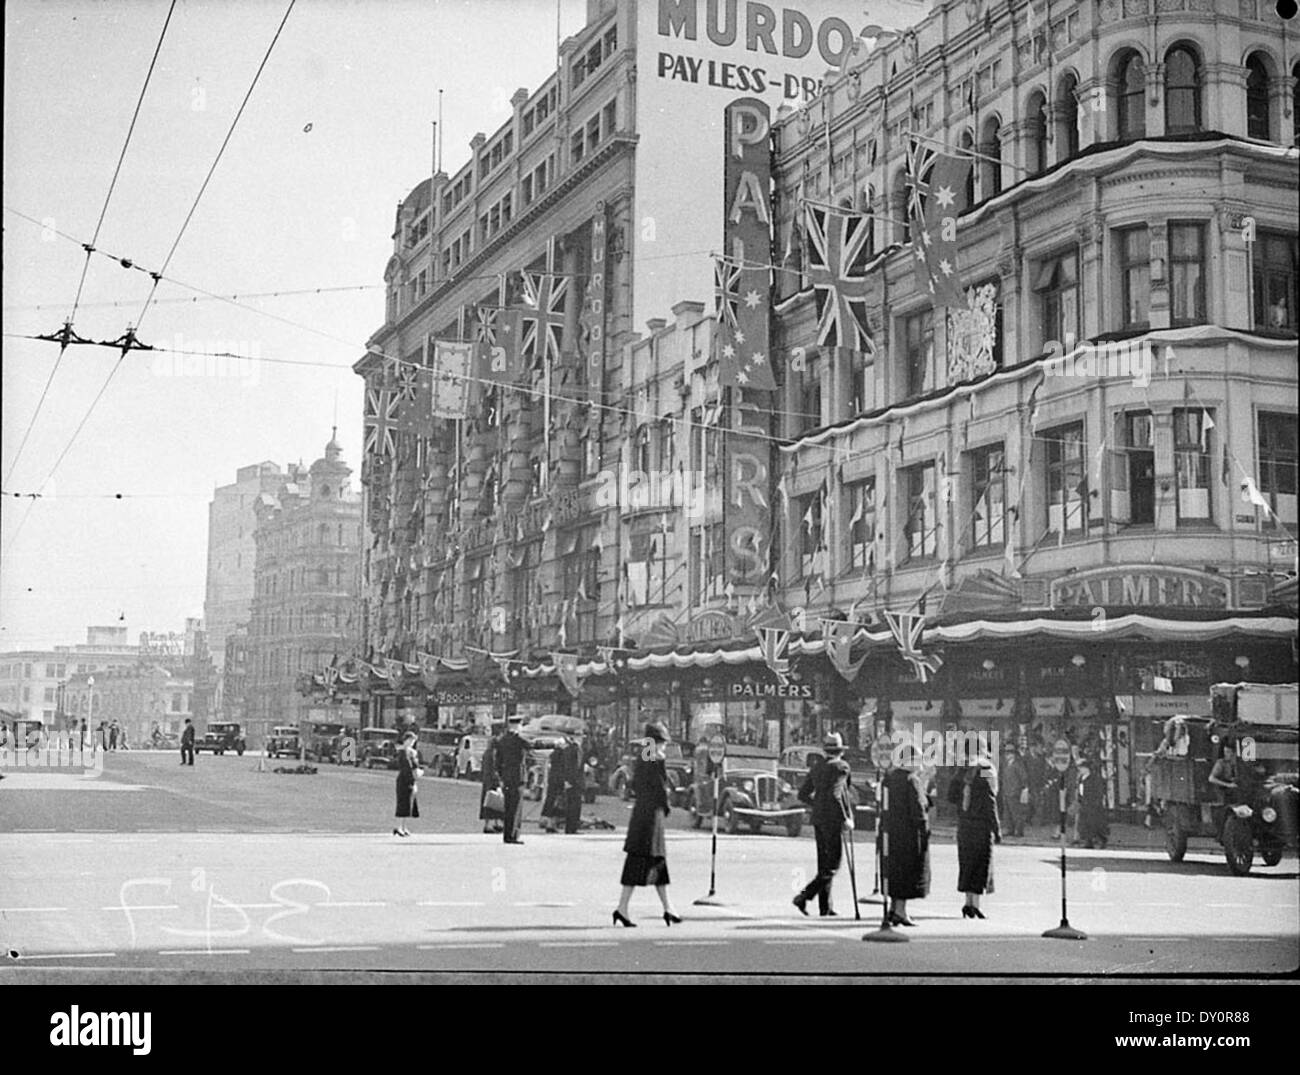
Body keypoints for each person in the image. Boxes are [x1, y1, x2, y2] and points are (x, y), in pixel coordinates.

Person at [614, 722, 682, 927]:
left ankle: (666, 908)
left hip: (643, 816)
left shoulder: (644, 757)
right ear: (656, 742)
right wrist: (667, 805)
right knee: (650, 860)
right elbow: (660, 788)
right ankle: (624, 908)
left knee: (652, 862)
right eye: (662, 742)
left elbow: (636, 784)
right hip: (650, 817)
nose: (664, 747)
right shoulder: (653, 758)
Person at [793, 732, 854, 917]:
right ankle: (805, 896)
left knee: (824, 864)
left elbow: (802, 794)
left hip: (819, 819)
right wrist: (845, 818)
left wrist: (818, 805)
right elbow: (838, 795)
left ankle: (825, 907)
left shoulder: (817, 767)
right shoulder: (841, 767)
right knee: (833, 864)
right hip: (832, 820)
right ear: (840, 751)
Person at [879, 750, 931, 926]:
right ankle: (900, 911)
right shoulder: (911, 780)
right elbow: (918, 811)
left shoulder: (890, 778)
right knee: (906, 872)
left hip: (890, 833)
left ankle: (894, 909)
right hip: (908, 835)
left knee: (893, 871)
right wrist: (925, 832)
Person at [951, 755, 1001, 919]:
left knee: (966, 863)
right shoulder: (985, 771)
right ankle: (975, 904)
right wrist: (996, 828)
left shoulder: (960, 772)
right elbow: (990, 799)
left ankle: (967, 902)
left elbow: (950, 796)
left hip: (964, 825)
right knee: (980, 865)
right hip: (981, 826)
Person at [495, 715, 529, 844]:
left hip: (506, 777)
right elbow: (531, 746)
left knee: (508, 807)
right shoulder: (518, 740)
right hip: (517, 777)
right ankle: (513, 835)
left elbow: (498, 761)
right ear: (517, 726)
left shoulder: (502, 740)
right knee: (515, 808)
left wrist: (501, 777)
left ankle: (507, 834)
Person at [1076, 757, 1110, 849]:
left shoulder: (1094, 778)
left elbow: (1099, 791)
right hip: (1084, 804)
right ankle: (1088, 841)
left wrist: (1096, 802)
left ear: (1086, 768)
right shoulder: (1081, 778)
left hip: (1093, 805)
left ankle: (1102, 839)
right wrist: (1079, 799)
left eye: (1081, 768)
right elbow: (1080, 790)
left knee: (1094, 824)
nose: (1079, 770)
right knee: (1085, 824)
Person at [393, 730, 421, 837]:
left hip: (410, 779)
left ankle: (404, 827)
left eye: (413, 741)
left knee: (408, 805)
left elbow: (414, 766)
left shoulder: (411, 752)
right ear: (406, 740)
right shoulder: (402, 752)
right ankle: (399, 827)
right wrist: (412, 778)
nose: (412, 743)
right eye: (410, 741)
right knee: (402, 804)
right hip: (404, 780)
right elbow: (406, 768)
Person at [1000, 744, 1029, 838]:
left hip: (1014, 792)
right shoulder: (1006, 764)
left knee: (1016, 812)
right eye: (1006, 752)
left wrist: (1023, 788)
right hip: (1006, 791)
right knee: (1007, 813)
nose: (1007, 754)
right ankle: (1010, 829)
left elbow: (1024, 777)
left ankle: (1019, 831)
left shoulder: (1017, 764)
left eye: (1010, 752)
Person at [478, 734, 504, 834]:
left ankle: (493, 823)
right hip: (492, 781)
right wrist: (498, 780)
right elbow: (494, 769)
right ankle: (491, 825)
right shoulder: (493, 754)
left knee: (490, 803)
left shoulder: (487, 753)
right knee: (494, 803)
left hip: (487, 781)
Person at [561, 735, 585, 835]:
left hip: (577, 781)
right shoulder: (570, 750)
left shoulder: (579, 749)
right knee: (572, 805)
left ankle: (573, 827)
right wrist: (567, 780)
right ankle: (570, 828)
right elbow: (567, 766)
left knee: (576, 805)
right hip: (572, 781)